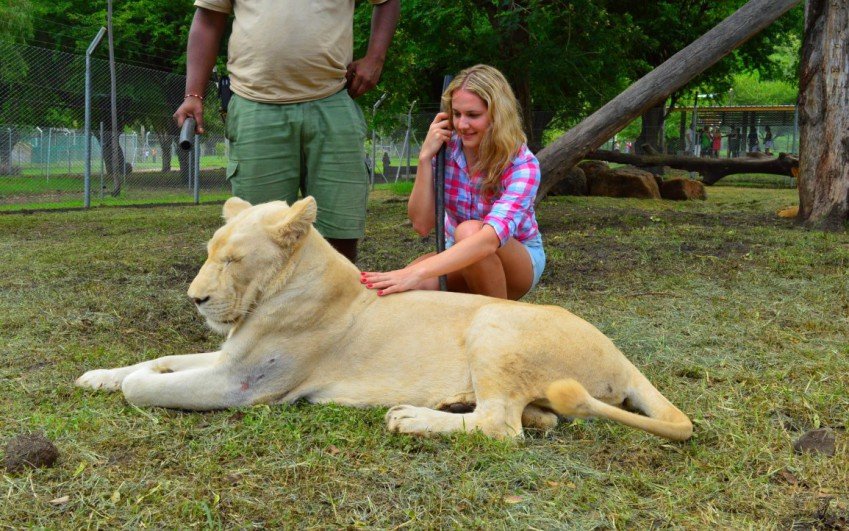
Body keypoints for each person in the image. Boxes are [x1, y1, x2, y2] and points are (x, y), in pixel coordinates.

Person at [173, 0, 400, 263]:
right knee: (258, 235)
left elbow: (387, 2)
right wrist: (193, 94)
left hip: (333, 99)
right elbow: (208, 20)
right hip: (256, 105)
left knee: (340, 232)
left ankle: (334, 302)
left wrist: (376, 58)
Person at [361, 64, 545, 301]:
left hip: (517, 259)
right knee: (399, 290)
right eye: (456, 114)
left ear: (498, 115)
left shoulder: (522, 164)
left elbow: (489, 240)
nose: (461, 125)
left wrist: (417, 272)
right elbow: (422, 225)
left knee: (467, 231)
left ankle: (498, 326)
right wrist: (425, 158)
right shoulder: (444, 152)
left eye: (473, 115)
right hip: (458, 251)